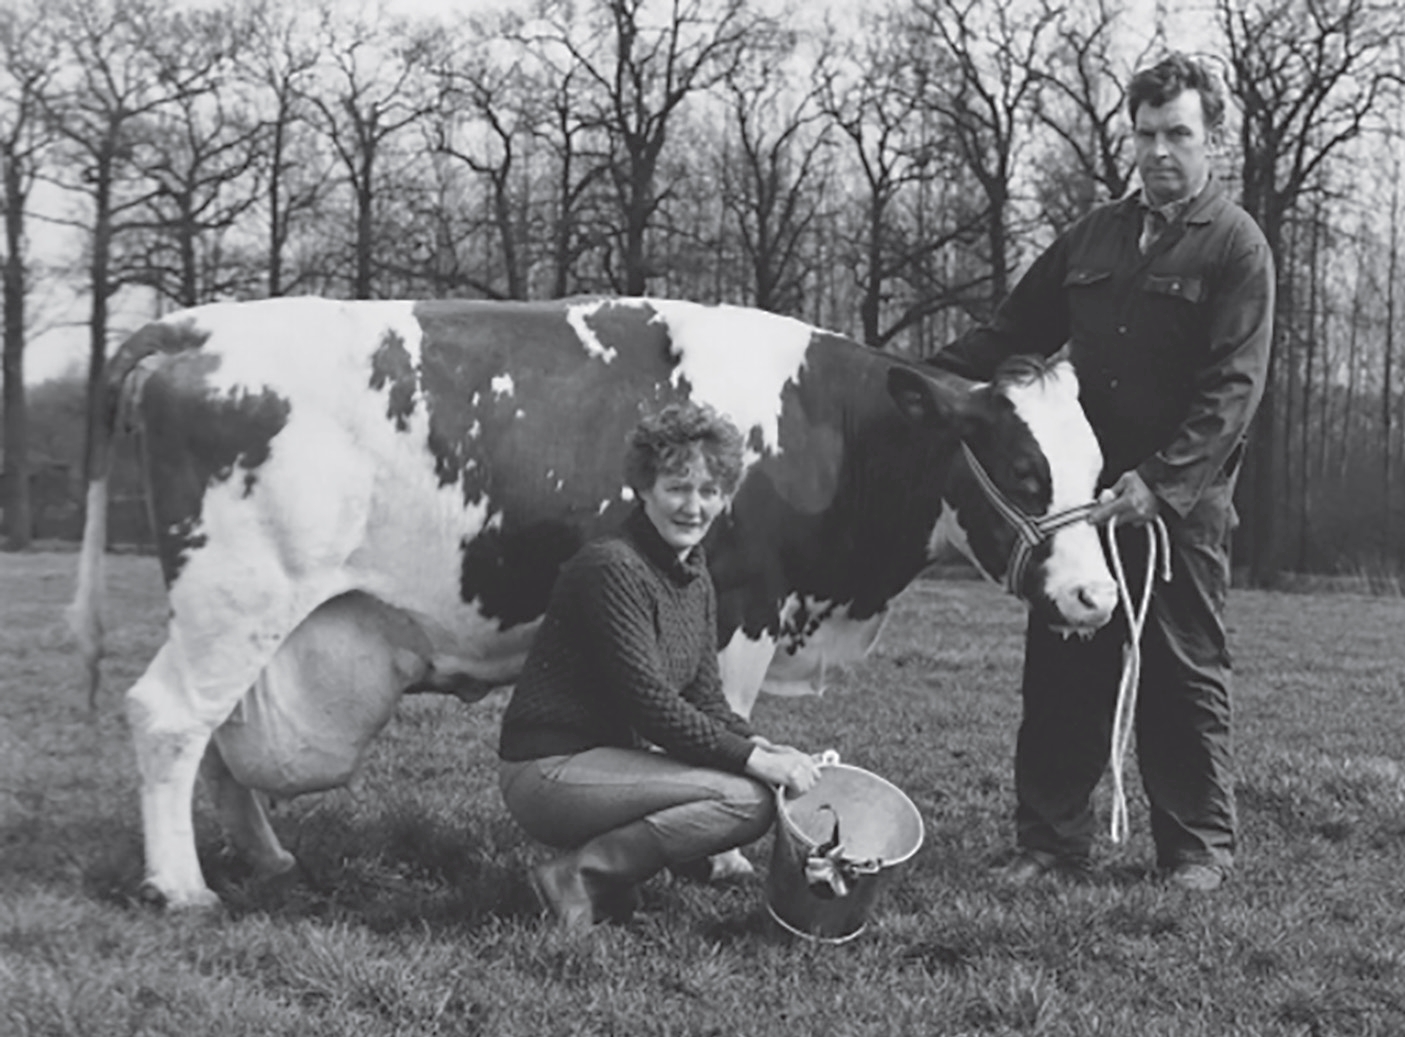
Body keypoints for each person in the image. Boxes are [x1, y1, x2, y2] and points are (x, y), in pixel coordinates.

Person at [931, 53, 1274, 892]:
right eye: (1145, 133)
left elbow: (1233, 388)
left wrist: (1159, 482)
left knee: (1180, 668)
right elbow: (1011, 330)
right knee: (1061, 670)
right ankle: (1048, 845)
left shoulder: (1235, 248)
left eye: (1178, 134)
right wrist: (908, 380)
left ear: (1213, 139)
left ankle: (1196, 849)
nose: (1158, 151)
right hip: (1077, 504)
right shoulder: (1091, 237)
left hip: (1174, 509)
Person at [497, 400, 822, 931]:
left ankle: (615, 878)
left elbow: (705, 698)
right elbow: (651, 705)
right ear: (643, 489)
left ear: (725, 497)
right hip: (547, 772)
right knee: (746, 801)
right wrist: (751, 761)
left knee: (752, 784)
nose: (693, 507)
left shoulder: (692, 575)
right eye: (677, 488)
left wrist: (760, 744)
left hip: (605, 762)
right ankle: (580, 876)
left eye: (709, 491)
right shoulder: (612, 567)